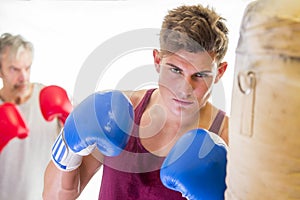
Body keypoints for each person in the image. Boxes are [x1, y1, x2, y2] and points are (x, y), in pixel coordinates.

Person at [43, 4, 229, 200]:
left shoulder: (230, 139)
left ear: (220, 72)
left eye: (200, 75)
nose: (184, 89)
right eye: (175, 70)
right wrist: (68, 145)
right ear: (157, 61)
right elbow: (55, 197)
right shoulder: (119, 113)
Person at [0, 33, 66, 200]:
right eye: (14, 69)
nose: (24, 77)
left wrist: (71, 117)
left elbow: (80, 150)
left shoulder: (51, 98)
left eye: (27, 67)